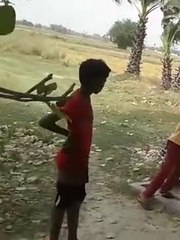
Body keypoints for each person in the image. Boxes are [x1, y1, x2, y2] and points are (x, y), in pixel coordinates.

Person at [39, 59, 111, 240]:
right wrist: (67, 134)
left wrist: (72, 135)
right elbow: (45, 121)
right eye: (101, 80)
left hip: (79, 162)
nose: (103, 84)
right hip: (70, 163)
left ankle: (73, 236)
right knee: (62, 203)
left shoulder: (84, 97)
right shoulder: (76, 101)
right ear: (90, 79)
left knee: (75, 202)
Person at [137, 97, 180, 210]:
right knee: (165, 171)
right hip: (175, 144)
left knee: (179, 168)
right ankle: (145, 195)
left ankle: (165, 189)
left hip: (173, 142)